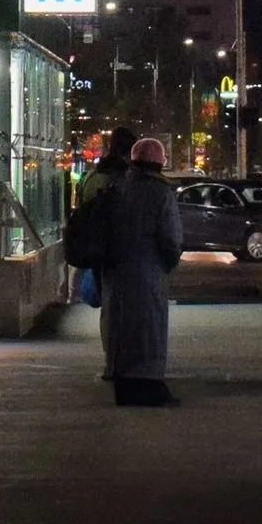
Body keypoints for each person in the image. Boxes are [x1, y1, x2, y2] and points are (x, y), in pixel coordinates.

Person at [103, 137, 183, 407]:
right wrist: (166, 264)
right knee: (150, 330)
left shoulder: (118, 187)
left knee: (121, 328)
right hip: (149, 271)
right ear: (160, 163)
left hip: (117, 271)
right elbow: (172, 240)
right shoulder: (162, 193)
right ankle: (149, 386)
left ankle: (123, 386)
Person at [75, 126, 138, 378]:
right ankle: (119, 362)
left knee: (109, 309)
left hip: (97, 251)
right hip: (118, 252)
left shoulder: (92, 177)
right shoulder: (123, 179)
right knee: (120, 309)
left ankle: (111, 360)